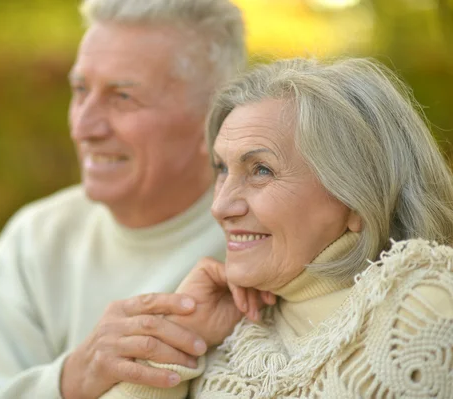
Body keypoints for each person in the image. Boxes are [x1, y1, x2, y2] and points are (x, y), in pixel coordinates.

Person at [0, 1, 259, 398]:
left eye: (122, 97)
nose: (83, 126)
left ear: (215, 120)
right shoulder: (36, 240)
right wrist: (74, 378)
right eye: (80, 90)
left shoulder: (266, 243)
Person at [101, 57, 453, 398]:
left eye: (261, 170)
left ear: (358, 197)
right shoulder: (223, 333)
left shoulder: (429, 310)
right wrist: (177, 338)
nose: (220, 207)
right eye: (222, 169)